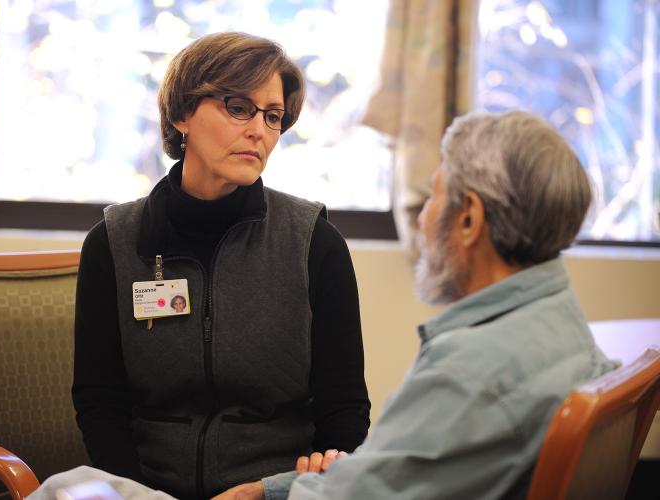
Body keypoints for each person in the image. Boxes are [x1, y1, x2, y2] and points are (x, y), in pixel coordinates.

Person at [214, 109, 620, 499]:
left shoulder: (470, 371)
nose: (424, 219)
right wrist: (270, 491)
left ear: (468, 220)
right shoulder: (560, 319)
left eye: (433, 196)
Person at [71, 32, 370, 500]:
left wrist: (286, 486)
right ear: (181, 114)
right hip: (146, 490)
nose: (259, 131)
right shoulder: (113, 242)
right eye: (238, 108)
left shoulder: (314, 242)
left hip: (272, 490)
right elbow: (100, 402)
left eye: (273, 117)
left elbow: (344, 410)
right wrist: (136, 493)